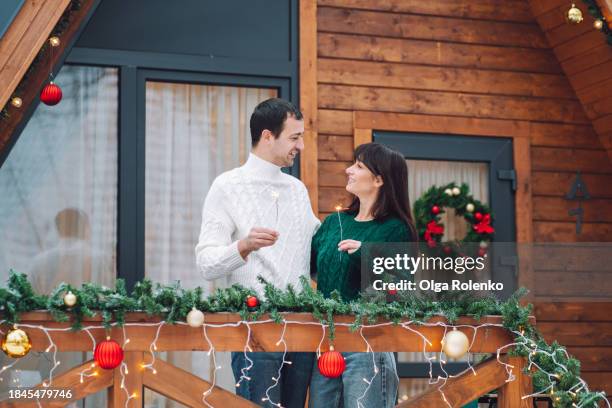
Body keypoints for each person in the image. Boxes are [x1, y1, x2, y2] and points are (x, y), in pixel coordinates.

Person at [195, 98, 320, 407]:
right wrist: (243, 246)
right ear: (267, 136)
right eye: (294, 137)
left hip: (302, 332)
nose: (301, 146)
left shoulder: (297, 190)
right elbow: (206, 263)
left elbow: (314, 252)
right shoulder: (226, 186)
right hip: (256, 331)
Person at [309, 143, 416, 408]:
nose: (348, 170)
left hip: (368, 348)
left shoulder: (396, 230)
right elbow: (309, 269)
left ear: (379, 179)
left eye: (358, 166)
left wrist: (365, 254)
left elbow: (401, 290)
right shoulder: (334, 223)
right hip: (326, 346)